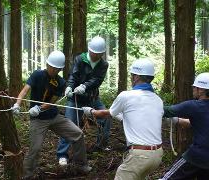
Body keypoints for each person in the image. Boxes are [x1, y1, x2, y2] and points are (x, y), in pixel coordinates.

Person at [11, 50, 91, 178]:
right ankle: (26, 176)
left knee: (78, 134)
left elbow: (52, 102)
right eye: (52, 67)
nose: (54, 70)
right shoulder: (37, 75)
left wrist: (39, 108)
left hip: (54, 117)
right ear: (47, 65)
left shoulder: (60, 82)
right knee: (35, 149)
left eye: (57, 69)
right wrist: (17, 104)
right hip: (38, 120)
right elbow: (25, 90)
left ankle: (81, 165)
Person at [83, 58, 164, 180]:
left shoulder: (126, 96)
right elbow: (135, 117)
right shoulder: (157, 99)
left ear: (136, 77)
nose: (131, 78)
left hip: (140, 155)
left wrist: (90, 111)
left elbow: (105, 114)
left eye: (132, 75)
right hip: (157, 155)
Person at [57, 36, 111, 166]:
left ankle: (100, 146)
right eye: (93, 53)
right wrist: (69, 86)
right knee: (69, 124)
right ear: (89, 50)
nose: (95, 56)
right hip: (76, 98)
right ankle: (62, 154)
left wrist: (84, 86)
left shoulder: (103, 64)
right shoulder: (80, 59)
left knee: (106, 117)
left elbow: (97, 81)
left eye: (98, 54)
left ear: (102, 53)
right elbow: (73, 75)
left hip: (92, 98)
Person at [159, 72, 209, 180]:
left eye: (195, 88)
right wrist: (177, 120)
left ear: (201, 90)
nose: (193, 90)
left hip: (197, 155)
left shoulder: (194, 106)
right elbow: (200, 124)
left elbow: (166, 110)